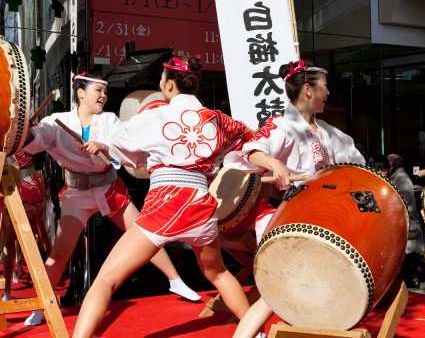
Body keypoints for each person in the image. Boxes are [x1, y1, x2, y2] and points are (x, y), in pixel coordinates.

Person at [72, 55, 254, 338]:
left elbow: (125, 151)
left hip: (166, 204)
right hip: (201, 204)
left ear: (169, 84)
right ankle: (257, 333)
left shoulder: (156, 111)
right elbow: (247, 136)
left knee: (105, 280)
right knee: (218, 274)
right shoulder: (217, 119)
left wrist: (109, 148)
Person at [21, 71, 200, 326]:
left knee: (146, 233)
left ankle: (176, 281)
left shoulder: (109, 120)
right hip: (77, 192)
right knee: (59, 254)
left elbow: (121, 146)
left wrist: (103, 146)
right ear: (81, 93)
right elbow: (35, 140)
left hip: (108, 187)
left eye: (105, 92)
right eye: (98, 91)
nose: (103, 96)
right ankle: (42, 305)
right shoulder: (56, 121)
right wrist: (23, 129)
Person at [224, 58, 366, 338]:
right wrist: (276, 164)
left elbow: (356, 164)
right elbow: (252, 151)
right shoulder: (282, 126)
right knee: (280, 287)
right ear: (309, 91)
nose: (328, 93)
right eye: (325, 87)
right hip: (284, 217)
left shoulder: (329, 133)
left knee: (304, 287)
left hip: (320, 220)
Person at [1, 149, 50, 301]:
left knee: (23, 237)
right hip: (23, 182)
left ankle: (10, 291)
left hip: (22, 184)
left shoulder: (11, 136)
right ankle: (48, 281)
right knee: (38, 234)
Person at [387, 153, 425, 289]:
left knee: (409, 254)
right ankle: (411, 280)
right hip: (406, 221)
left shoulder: (401, 178)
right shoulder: (398, 177)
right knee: (409, 254)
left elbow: (405, 201)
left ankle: (412, 280)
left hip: (408, 221)